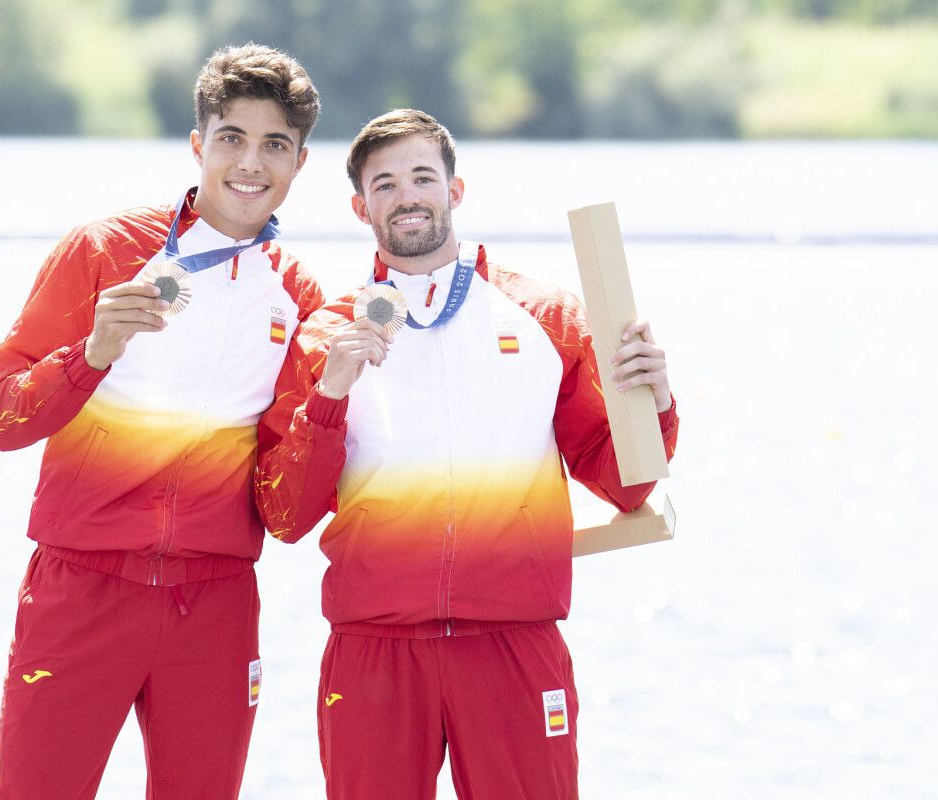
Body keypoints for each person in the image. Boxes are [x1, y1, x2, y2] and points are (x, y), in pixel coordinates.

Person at [255, 108, 680, 800]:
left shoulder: (546, 316)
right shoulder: (327, 333)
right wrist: (331, 393)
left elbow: (628, 486)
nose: (408, 196)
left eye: (424, 176)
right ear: (361, 207)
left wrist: (654, 401)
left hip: (514, 642)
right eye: (386, 184)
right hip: (375, 650)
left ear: (455, 191)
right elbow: (283, 515)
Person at [0, 44, 322, 800]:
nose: (250, 163)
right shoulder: (105, 251)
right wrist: (93, 352)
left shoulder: (299, 295)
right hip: (82, 588)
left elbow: (289, 496)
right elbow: (2, 417)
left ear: (300, 162)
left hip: (215, 603)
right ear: (199, 144)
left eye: (275, 145)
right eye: (232, 137)